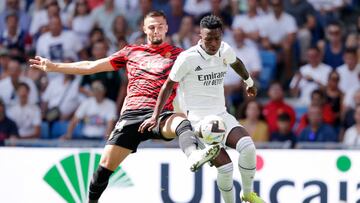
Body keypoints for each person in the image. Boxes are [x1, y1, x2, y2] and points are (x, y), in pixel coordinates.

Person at [29, 11, 220, 203]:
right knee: (103, 170)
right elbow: (90, 66)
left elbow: (205, 72)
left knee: (181, 122)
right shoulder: (131, 52)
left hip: (160, 114)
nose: (156, 31)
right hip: (131, 116)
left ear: (166, 28)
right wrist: (54, 66)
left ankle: (194, 156)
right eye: (152, 27)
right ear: (144, 29)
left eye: (160, 26)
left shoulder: (180, 55)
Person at [139, 15, 264, 203]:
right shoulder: (187, 58)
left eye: (217, 38)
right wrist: (155, 116)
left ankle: (247, 194)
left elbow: (236, 62)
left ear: (221, 35)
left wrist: (249, 82)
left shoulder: (224, 50)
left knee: (248, 148)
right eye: (208, 39)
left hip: (222, 114)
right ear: (200, 36)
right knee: (226, 168)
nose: (213, 43)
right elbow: (167, 86)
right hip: (199, 122)